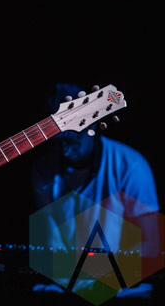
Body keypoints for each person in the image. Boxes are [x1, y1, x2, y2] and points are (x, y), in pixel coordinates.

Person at [29, 82, 162, 298]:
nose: (65, 149)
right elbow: (50, 242)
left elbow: (151, 244)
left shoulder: (131, 165)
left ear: (89, 124)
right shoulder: (43, 168)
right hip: (68, 285)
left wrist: (101, 285)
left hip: (124, 287)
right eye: (57, 142)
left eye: (72, 138)